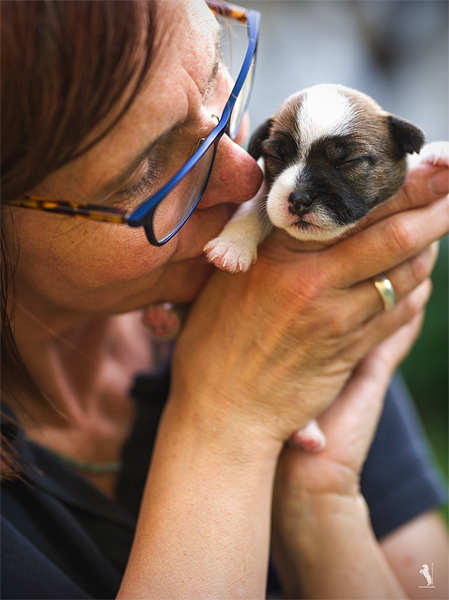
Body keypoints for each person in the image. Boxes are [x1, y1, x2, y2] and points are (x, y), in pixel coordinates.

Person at [0, 0, 449, 598]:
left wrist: (320, 499)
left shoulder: (298, 307)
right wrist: (228, 422)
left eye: (221, 76)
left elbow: (428, 583)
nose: (248, 176)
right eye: (141, 169)